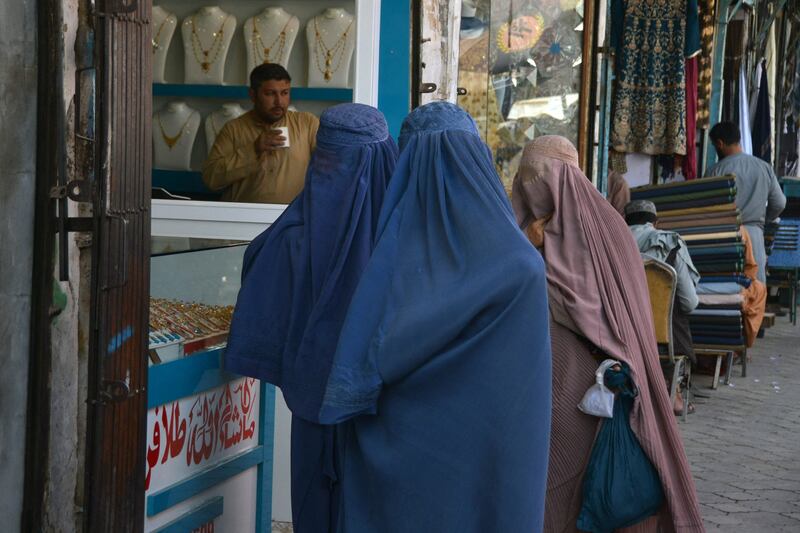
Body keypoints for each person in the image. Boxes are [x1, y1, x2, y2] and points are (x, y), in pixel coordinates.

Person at [317, 102, 553, 532]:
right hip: (494, 470)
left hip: (400, 469)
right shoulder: (523, 267)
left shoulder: (391, 255)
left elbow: (365, 363)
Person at [512, 136, 703, 533]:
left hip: (593, 388)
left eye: (542, 176)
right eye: (526, 176)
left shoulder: (607, 233)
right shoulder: (519, 234)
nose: (533, 186)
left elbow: (614, 316)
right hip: (539, 388)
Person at [223, 103, 398, 533]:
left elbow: (261, 298)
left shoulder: (290, 238)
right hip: (386, 421)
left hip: (318, 415)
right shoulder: (407, 241)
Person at [203, 63, 320, 203]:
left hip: (292, 220)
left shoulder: (307, 124)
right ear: (253, 95)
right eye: (270, 94)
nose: (279, 102)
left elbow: (331, 167)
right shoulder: (233, 129)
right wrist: (253, 150)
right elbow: (211, 179)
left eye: (285, 93)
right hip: (244, 219)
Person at [625, 199, 700, 415]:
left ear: (624, 220)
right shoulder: (670, 242)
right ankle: (673, 394)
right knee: (676, 314)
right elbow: (690, 303)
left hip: (621, 332)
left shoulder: (611, 241)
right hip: (662, 340)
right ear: (656, 222)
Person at [705, 121, 786, 283]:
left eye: (715, 145)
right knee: (755, 290)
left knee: (724, 291)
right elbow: (780, 203)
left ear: (720, 143)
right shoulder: (763, 167)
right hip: (754, 235)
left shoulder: (715, 171)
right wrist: (763, 220)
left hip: (724, 236)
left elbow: (705, 208)